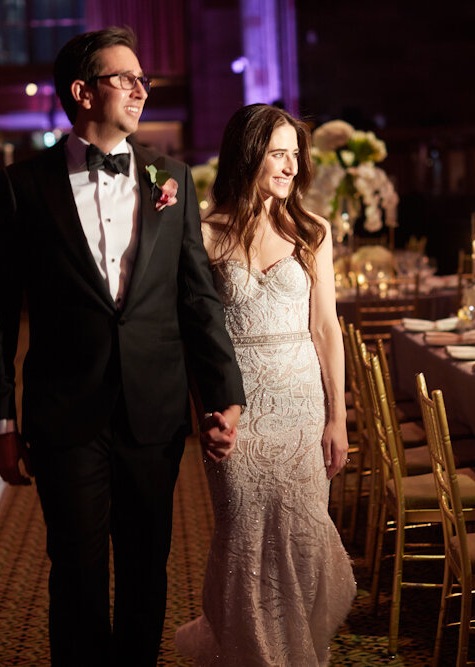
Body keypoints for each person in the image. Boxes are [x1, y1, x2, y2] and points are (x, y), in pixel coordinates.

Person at [0, 26, 245, 666]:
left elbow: (198, 298)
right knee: (76, 570)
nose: (141, 89)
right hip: (65, 413)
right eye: (125, 77)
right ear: (82, 92)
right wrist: (1, 420)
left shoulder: (169, 178)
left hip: (152, 409)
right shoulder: (22, 186)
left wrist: (224, 396)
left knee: (149, 566)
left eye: (143, 78)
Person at [175, 104, 356, 665]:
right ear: (248, 154)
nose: (291, 167)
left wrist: (337, 417)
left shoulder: (311, 230)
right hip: (237, 411)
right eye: (279, 153)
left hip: (302, 406)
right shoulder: (203, 234)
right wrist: (205, 414)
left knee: (302, 540)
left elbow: (326, 328)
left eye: (295, 155)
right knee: (244, 540)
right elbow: (193, 339)